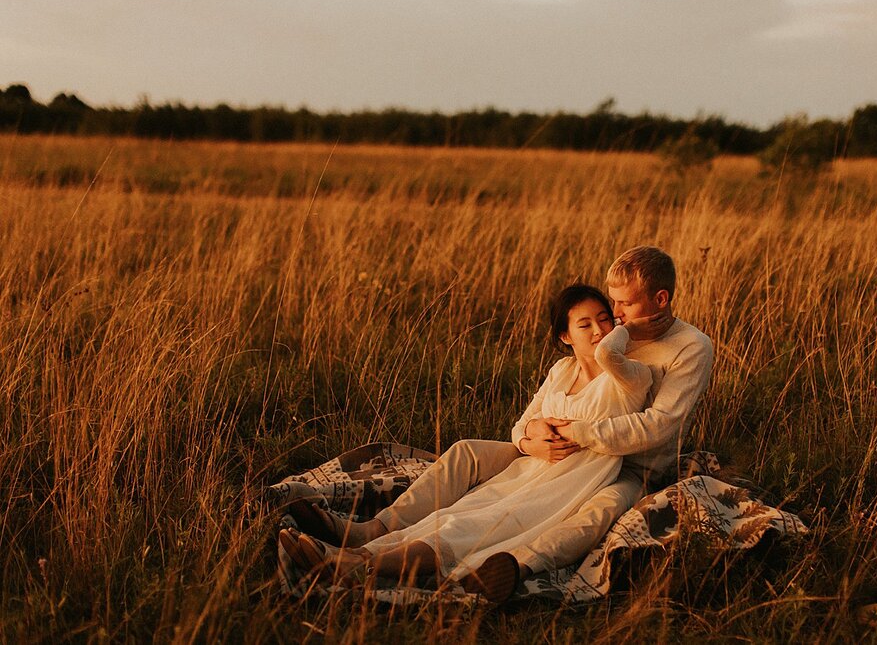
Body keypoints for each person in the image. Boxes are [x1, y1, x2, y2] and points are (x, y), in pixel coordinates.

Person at [281, 245, 712, 604]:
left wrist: (574, 433)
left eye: (624, 304)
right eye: (610, 303)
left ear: (661, 299)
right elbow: (528, 417)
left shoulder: (688, 347)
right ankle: (373, 530)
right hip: (556, 447)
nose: (613, 316)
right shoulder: (583, 353)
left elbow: (659, 426)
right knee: (468, 450)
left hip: (626, 465)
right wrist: (529, 439)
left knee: (596, 513)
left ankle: (513, 565)